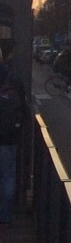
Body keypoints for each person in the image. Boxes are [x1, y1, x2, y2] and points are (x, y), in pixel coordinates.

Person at [0, 38, 32, 224]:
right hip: (8, 136)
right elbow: (23, 105)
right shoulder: (12, 78)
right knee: (8, 174)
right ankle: (5, 215)